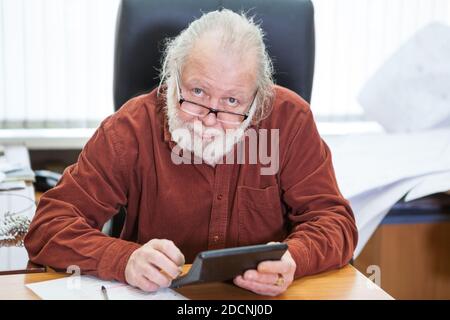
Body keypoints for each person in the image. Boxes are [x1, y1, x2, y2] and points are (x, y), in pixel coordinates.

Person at [25, 9, 357, 296]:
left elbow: (334, 222)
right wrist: (123, 259)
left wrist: (293, 258)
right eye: (197, 92)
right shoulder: (130, 129)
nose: (209, 121)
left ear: (257, 98)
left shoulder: (289, 121)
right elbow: (50, 225)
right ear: (173, 77)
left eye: (232, 102)